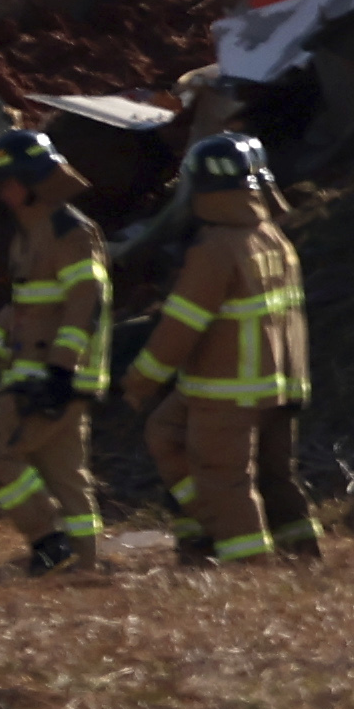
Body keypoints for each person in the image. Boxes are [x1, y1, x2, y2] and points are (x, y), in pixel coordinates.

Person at [117, 135, 310, 568]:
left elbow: (182, 327)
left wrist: (137, 380)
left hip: (227, 389)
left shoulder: (216, 249)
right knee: (170, 434)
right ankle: (291, 552)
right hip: (277, 383)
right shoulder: (272, 238)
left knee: (224, 479)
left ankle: (250, 568)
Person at [0, 133, 114, 575]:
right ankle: (85, 565)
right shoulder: (30, 236)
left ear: (32, 180)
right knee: (65, 473)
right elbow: (24, 308)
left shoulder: (70, 232)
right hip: (45, 375)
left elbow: (84, 301)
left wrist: (62, 372)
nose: (1, 192)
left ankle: (50, 543)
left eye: (7, 181)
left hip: (50, 378)